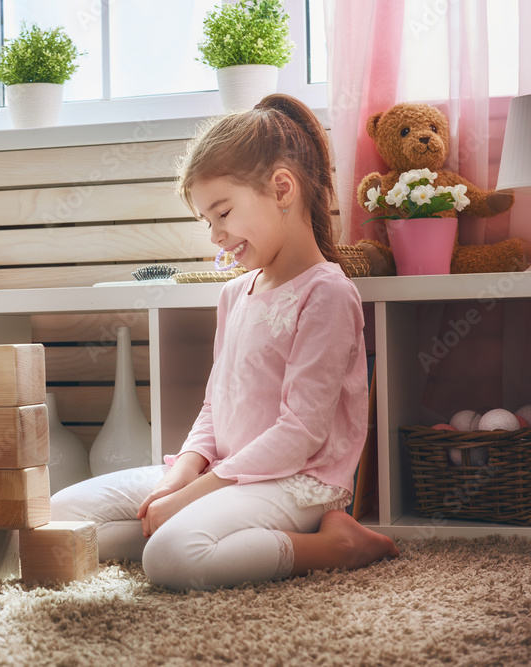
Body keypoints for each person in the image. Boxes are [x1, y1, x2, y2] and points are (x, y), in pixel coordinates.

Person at [52, 94, 400, 591]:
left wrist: (193, 496)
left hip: (295, 484)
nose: (215, 234)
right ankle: (200, 527)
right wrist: (179, 479)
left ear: (282, 188)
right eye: (206, 220)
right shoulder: (235, 293)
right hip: (226, 473)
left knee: (172, 559)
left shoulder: (326, 293)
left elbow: (299, 434)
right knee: (64, 517)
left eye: (223, 212)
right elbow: (214, 407)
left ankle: (337, 543)